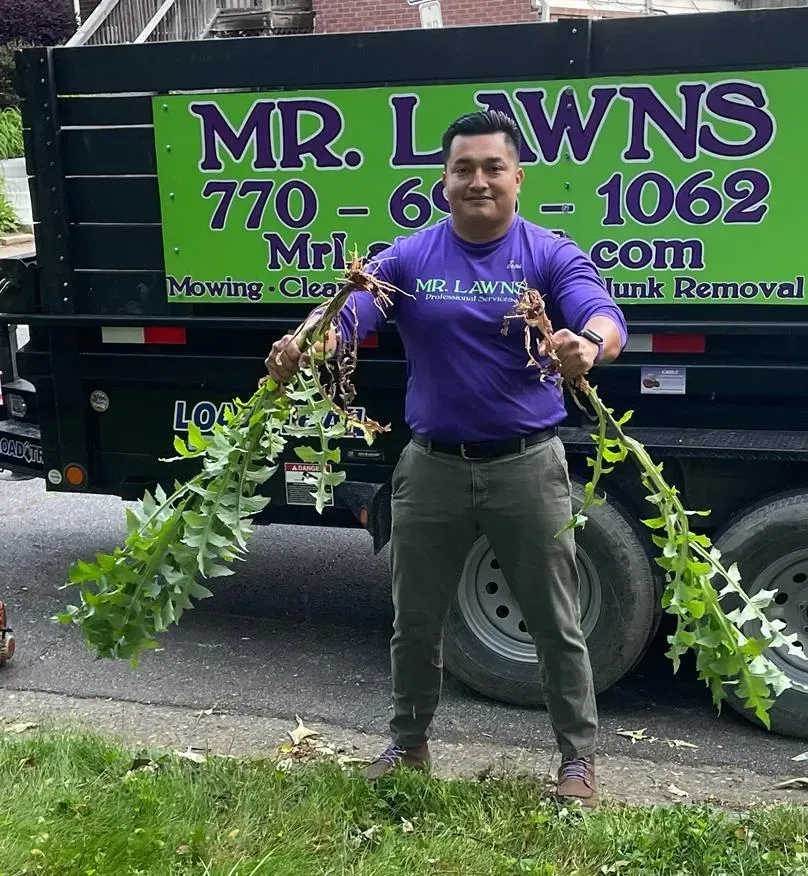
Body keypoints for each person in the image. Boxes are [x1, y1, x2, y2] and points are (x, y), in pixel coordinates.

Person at [265, 109, 627, 808]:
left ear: (517, 179)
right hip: (429, 465)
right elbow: (347, 313)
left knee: (555, 619)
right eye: (464, 169)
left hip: (527, 466)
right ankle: (408, 744)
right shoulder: (407, 257)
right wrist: (307, 341)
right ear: (443, 181)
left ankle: (576, 761)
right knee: (415, 618)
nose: (478, 180)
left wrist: (588, 343)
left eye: (493, 168)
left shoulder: (548, 253)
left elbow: (600, 311)